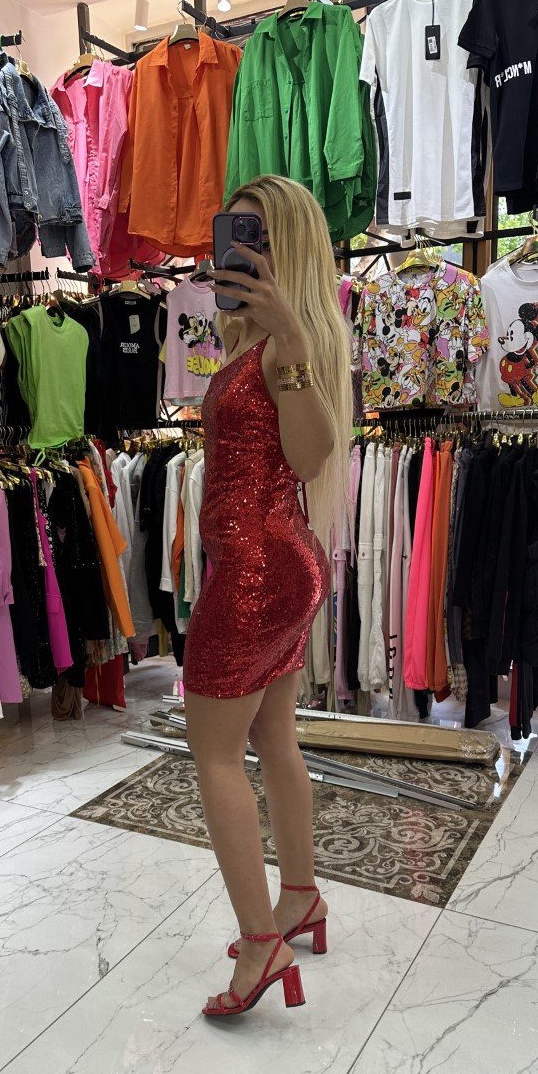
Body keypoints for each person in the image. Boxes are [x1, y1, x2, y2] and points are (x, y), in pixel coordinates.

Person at [182, 175, 352, 1018]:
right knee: (275, 740)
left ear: (290, 250)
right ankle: (300, 898)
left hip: (257, 572)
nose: (240, 251)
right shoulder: (261, 341)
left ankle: (261, 944)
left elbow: (314, 454)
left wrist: (289, 335)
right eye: (235, 234)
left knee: (213, 754)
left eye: (258, 237)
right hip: (278, 562)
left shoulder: (288, 346)